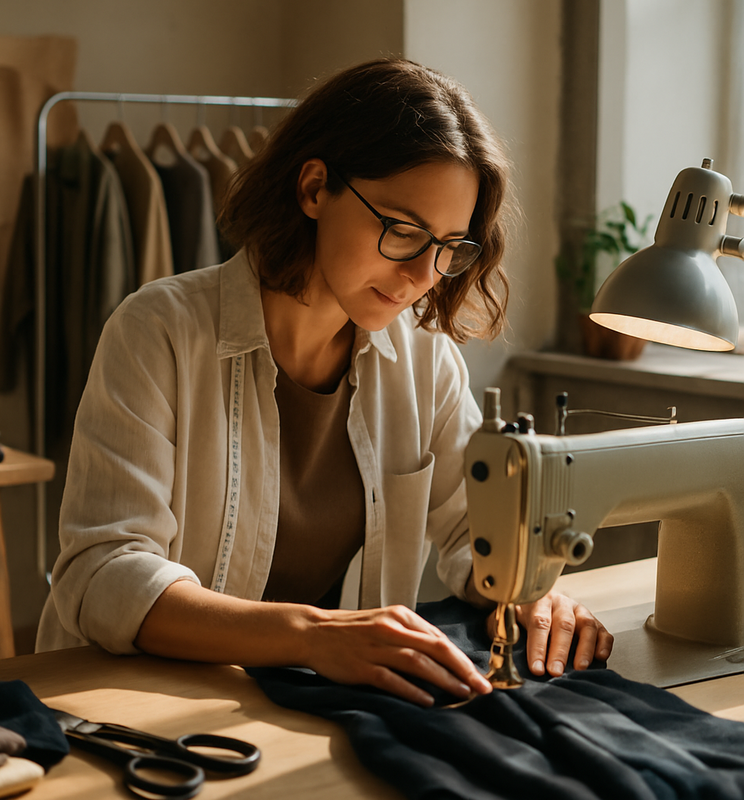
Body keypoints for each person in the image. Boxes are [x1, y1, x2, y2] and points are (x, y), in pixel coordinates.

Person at [37, 57, 613, 707]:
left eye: (450, 247)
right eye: (402, 231)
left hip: (301, 705)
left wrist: (531, 591)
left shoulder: (426, 361)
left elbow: (469, 533)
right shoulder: (157, 332)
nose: (423, 275)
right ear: (315, 188)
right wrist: (312, 636)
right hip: (124, 701)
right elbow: (104, 574)